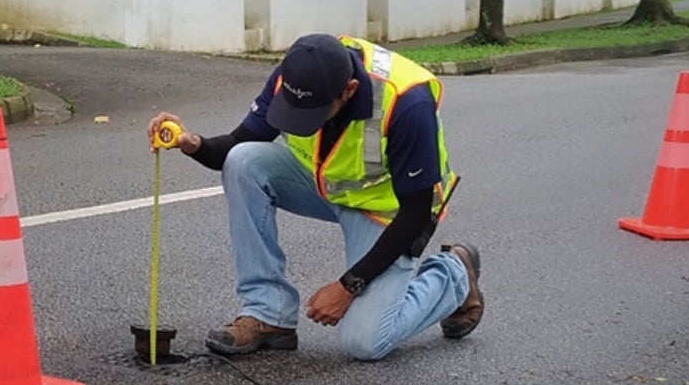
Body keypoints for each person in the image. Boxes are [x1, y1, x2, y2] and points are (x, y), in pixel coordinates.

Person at [145, 33, 484, 361]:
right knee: (243, 163)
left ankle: (453, 273)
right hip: (328, 186)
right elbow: (236, 144)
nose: (298, 121)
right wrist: (192, 143)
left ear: (349, 90)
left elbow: (414, 215)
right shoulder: (296, 75)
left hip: (388, 211)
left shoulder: (407, 102)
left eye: (311, 113)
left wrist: (348, 285)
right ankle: (268, 313)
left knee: (365, 342)